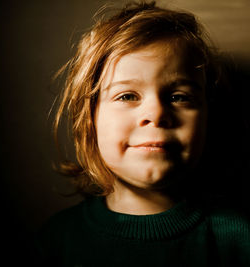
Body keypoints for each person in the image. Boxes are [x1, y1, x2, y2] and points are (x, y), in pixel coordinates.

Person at [35, 1, 250, 266]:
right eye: (127, 95)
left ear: (208, 115)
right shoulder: (56, 241)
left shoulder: (238, 239)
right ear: (89, 120)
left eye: (178, 97)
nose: (157, 113)